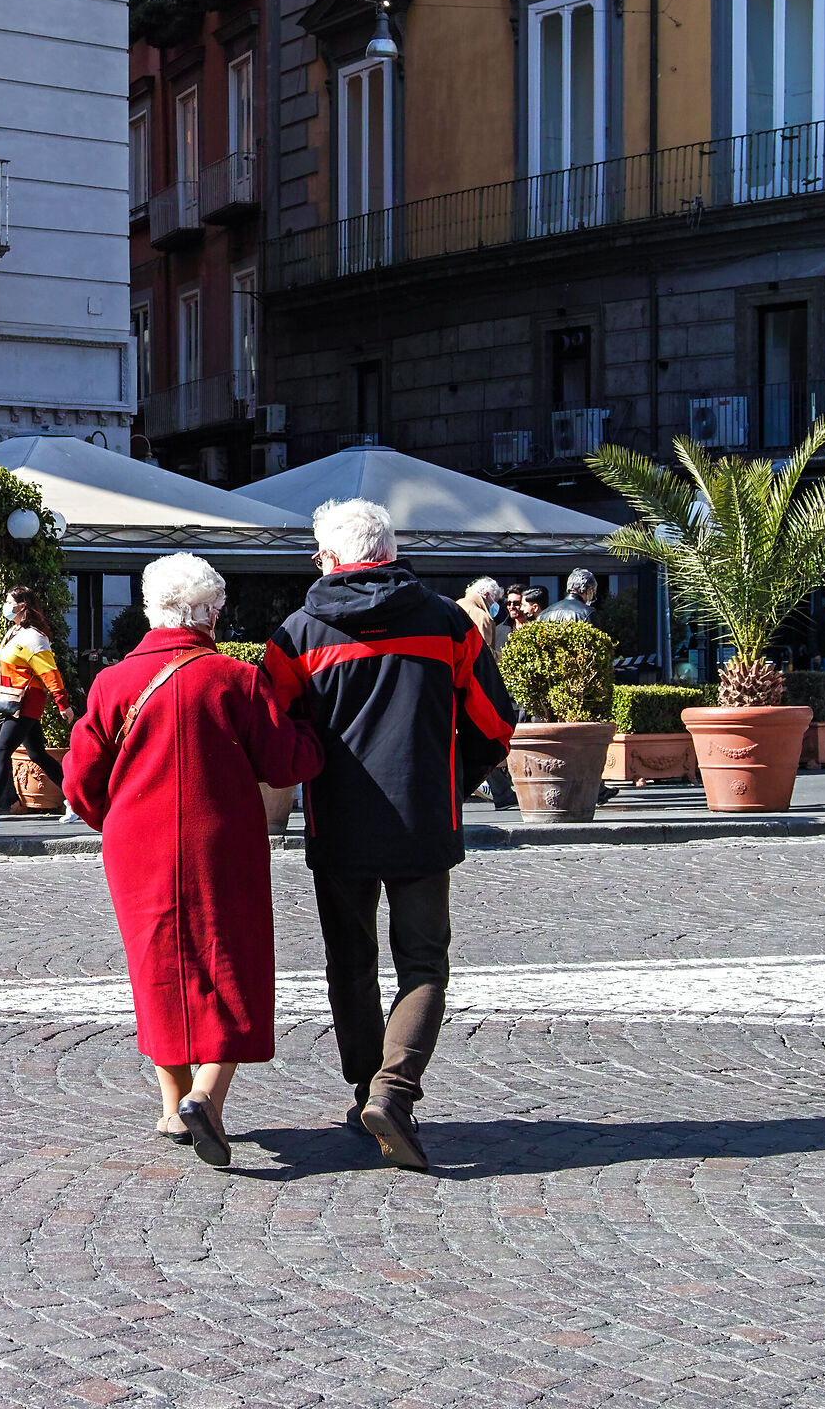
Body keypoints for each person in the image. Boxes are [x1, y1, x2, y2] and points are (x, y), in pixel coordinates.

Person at [264, 499, 516, 1172]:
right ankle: (393, 1092)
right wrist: (452, 780)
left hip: (338, 821)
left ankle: (365, 1092)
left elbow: (274, 736)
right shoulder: (448, 623)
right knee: (423, 963)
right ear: (391, 552)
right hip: (424, 816)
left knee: (350, 961)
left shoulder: (296, 634)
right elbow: (496, 724)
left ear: (328, 558)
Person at [63, 553, 322, 1169]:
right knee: (231, 961)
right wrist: (314, 731)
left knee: (158, 965)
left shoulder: (112, 683)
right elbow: (286, 762)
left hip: (137, 846)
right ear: (209, 614)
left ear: (152, 610)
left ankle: (171, 1106)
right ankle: (206, 1096)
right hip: (220, 843)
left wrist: (117, 820)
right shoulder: (236, 678)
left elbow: (79, 781)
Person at [0, 587, 80, 829]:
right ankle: (76, 801)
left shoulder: (34, 638)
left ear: (22, 606)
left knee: (1, 751)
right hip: (16, 701)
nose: (5, 606)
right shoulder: (14, 633)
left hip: (25, 703)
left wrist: (63, 703)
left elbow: (50, 673)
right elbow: (10, 669)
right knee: (37, 754)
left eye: (9, 602)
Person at [456, 577, 509, 655]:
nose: (495, 604)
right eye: (495, 600)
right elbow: (484, 654)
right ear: (487, 594)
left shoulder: (457, 604)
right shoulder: (481, 616)